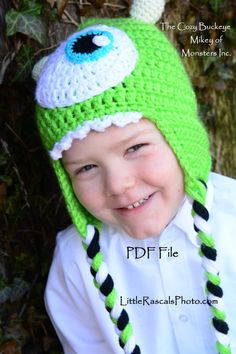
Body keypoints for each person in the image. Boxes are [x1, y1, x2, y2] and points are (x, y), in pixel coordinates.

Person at [33, 0, 236, 353]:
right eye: (86, 168)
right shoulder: (76, 267)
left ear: (181, 135)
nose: (118, 185)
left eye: (135, 148)